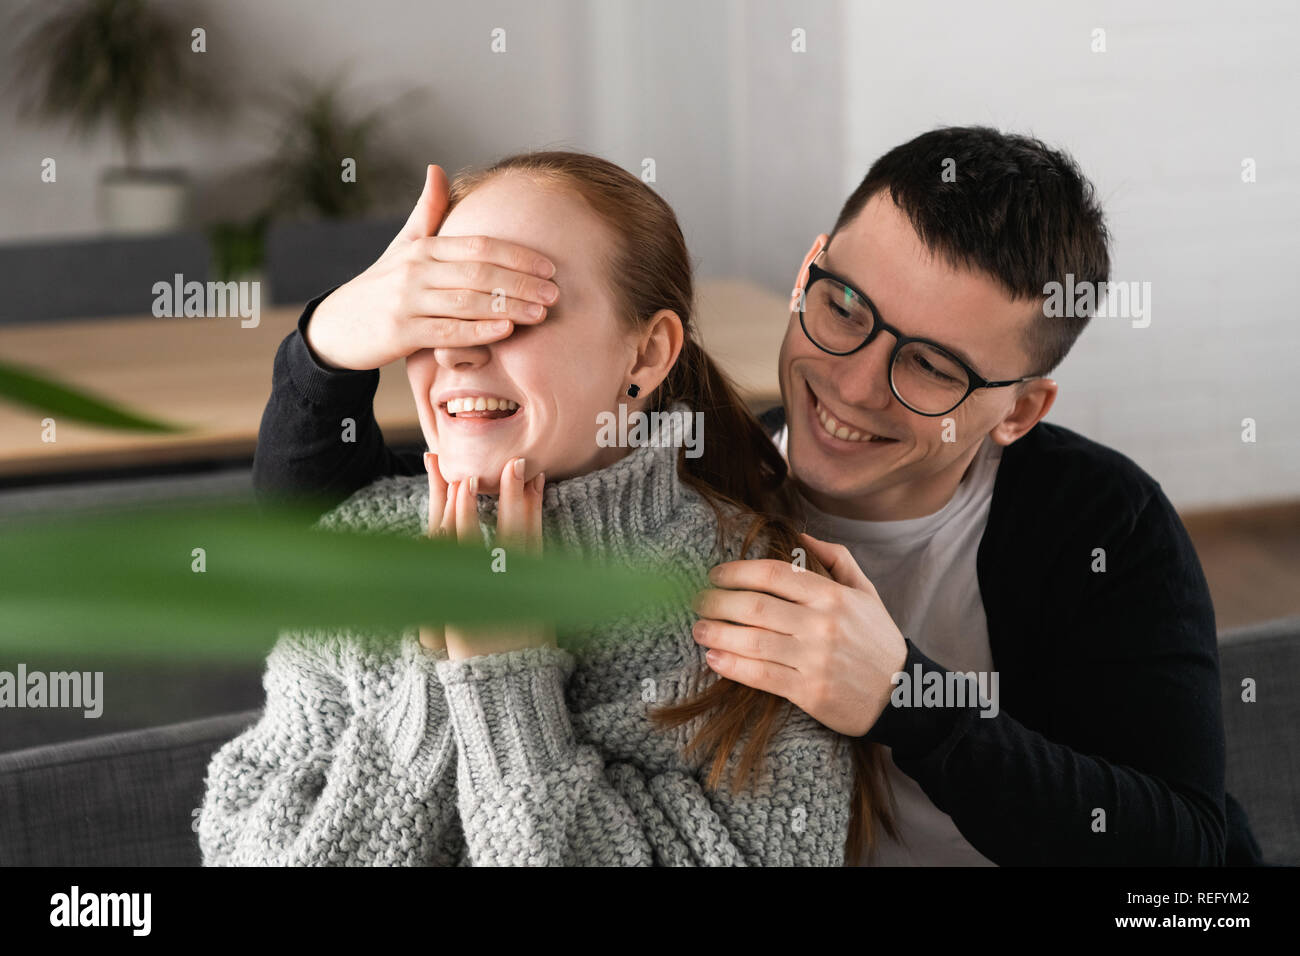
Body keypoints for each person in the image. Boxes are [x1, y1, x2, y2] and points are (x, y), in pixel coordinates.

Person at [248, 127, 1261, 866]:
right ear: (806, 274)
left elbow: (1192, 861)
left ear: (1017, 409)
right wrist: (333, 336)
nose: (854, 383)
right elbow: (337, 528)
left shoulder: (1097, 524)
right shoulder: (698, 461)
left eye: (933, 368)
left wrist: (909, 702)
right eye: (844, 308)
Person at [199, 150, 895, 866]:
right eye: (442, 310)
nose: (460, 354)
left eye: (509, 311)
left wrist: (506, 693)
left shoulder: (768, 605)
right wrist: (433, 696)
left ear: (647, 354)